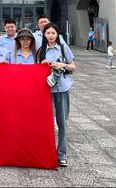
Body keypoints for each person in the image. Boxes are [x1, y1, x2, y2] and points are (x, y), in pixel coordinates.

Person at [37, 22, 75, 168]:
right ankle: (45, 151)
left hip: (62, 89)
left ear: (57, 35)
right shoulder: (40, 50)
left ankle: (62, 154)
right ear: (44, 35)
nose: (51, 36)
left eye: (53, 33)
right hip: (46, 91)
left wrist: (62, 65)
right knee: (44, 123)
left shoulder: (63, 49)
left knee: (62, 123)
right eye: (48, 33)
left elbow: (73, 66)